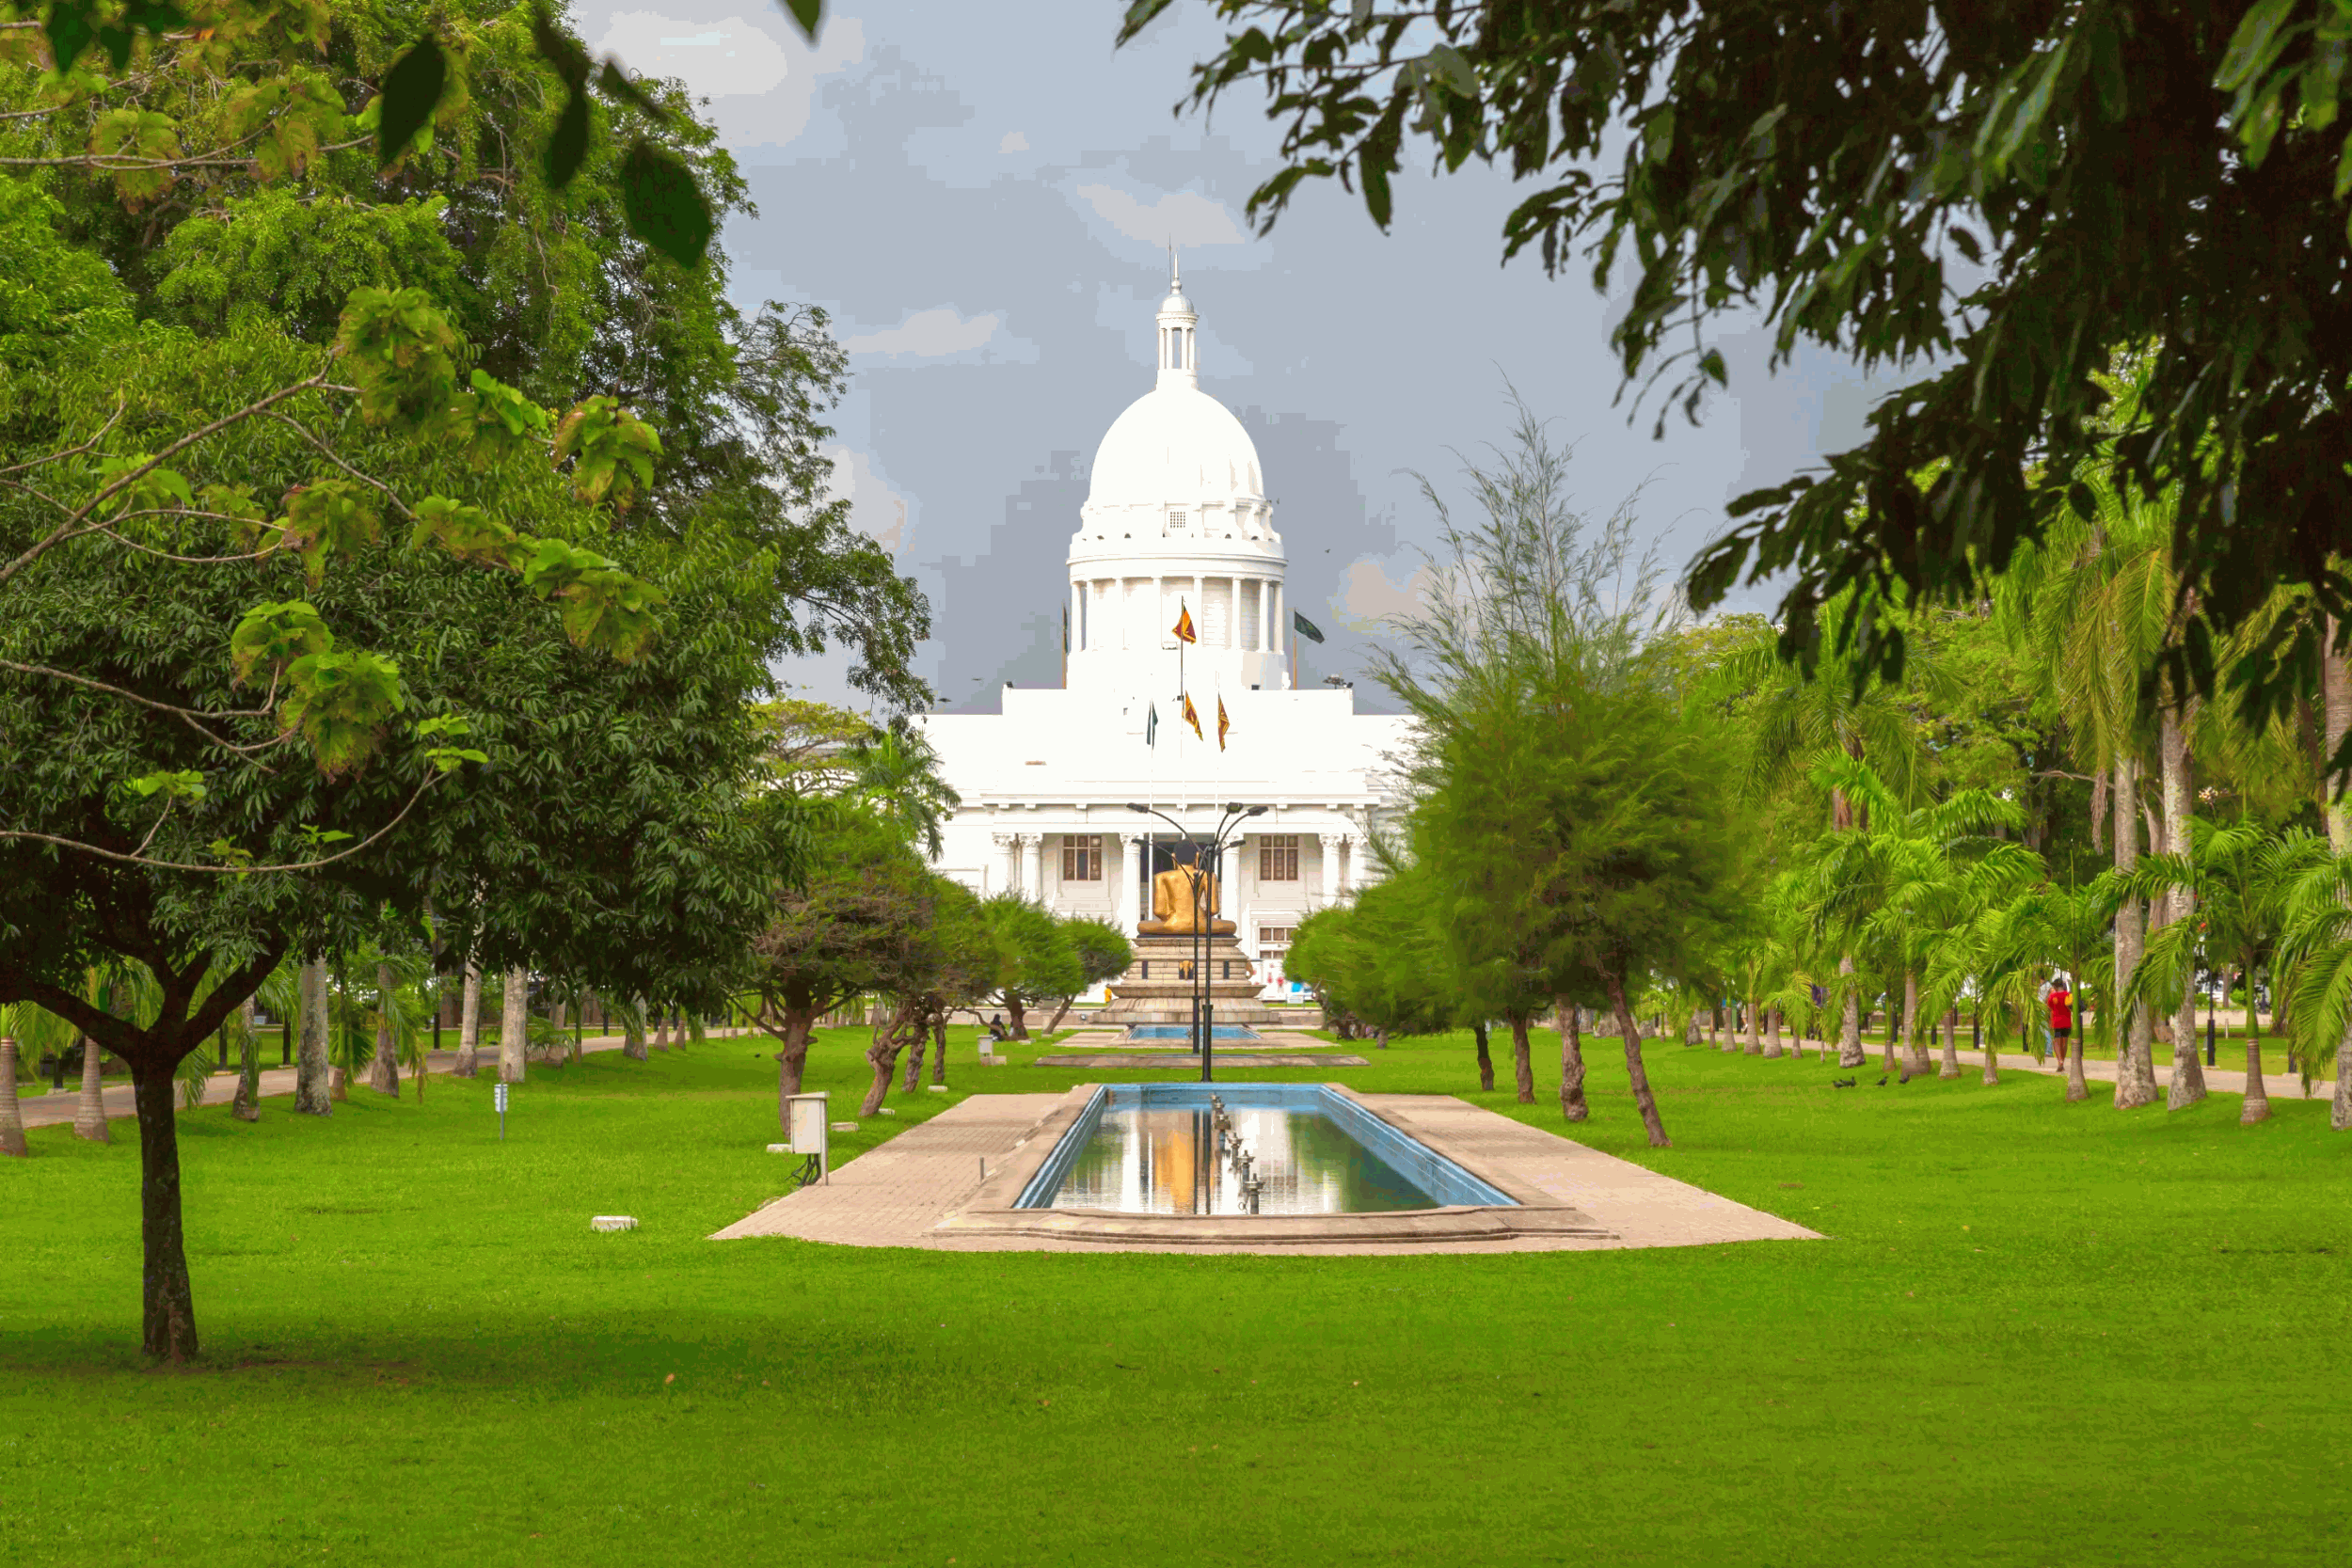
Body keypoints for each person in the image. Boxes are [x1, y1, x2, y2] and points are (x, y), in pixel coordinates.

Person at [2045, 976, 2074, 1066]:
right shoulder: (2068, 995)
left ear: (2055, 986)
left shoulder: (2052, 996)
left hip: (2056, 1022)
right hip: (2067, 1021)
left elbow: (2049, 1006)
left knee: (2057, 1042)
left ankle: (2060, 1060)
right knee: (2064, 1042)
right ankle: (2063, 1061)